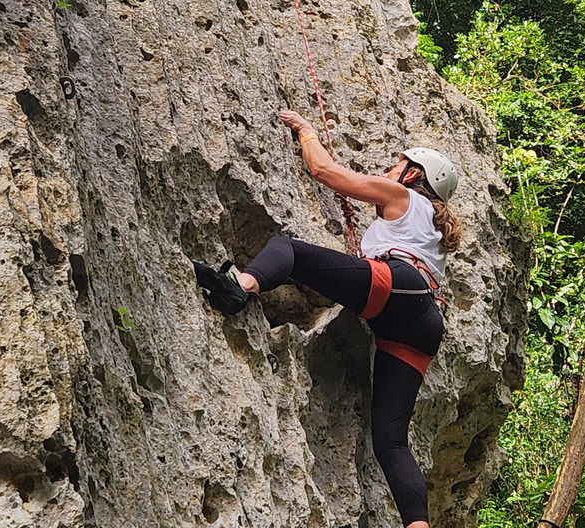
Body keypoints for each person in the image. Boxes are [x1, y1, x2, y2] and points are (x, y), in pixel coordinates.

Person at [193, 110, 463, 528]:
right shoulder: (434, 229)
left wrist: (305, 131)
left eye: (398, 164)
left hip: (396, 287)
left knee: (290, 250)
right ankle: (418, 526)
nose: (391, 169)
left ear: (412, 175)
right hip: (423, 319)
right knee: (390, 440)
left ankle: (240, 287)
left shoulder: (401, 195)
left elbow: (323, 170)